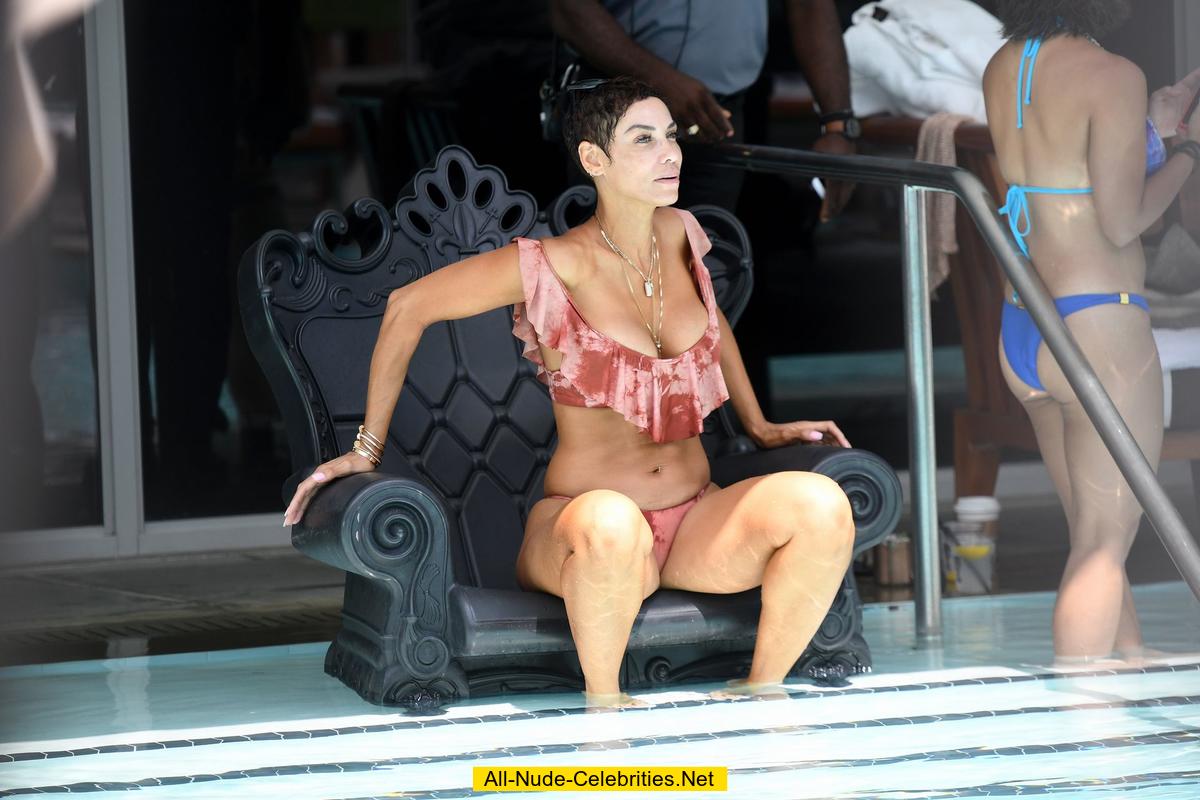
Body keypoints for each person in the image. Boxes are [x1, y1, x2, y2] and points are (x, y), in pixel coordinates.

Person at [282, 78, 856, 707]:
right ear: (594, 160)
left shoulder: (681, 234)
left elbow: (713, 328)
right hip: (586, 532)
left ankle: (760, 691)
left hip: (696, 520)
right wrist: (365, 450)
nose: (670, 153)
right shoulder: (554, 264)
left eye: (672, 136)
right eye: (644, 139)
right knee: (612, 522)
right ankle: (605, 713)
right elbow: (405, 308)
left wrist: (760, 424)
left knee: (821, 503)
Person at [983, 0, 1200, 662]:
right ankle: (1074, 720)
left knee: (1092, 525)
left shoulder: (1005, 65)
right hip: (1098, 319)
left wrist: (1151, 131)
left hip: (1026, 322)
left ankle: (1127, 652)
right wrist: (1187, 150)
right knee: (1105, 539)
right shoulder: (1112, 73)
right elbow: (1122, 220)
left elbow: (1062, 169)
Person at [549, 0, 859, 217]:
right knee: (606, 282)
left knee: (707, 274)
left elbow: (809, 6)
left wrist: (838, 124)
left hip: (718, 116)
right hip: (615, 111)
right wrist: (660, 81)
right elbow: (568, 9)